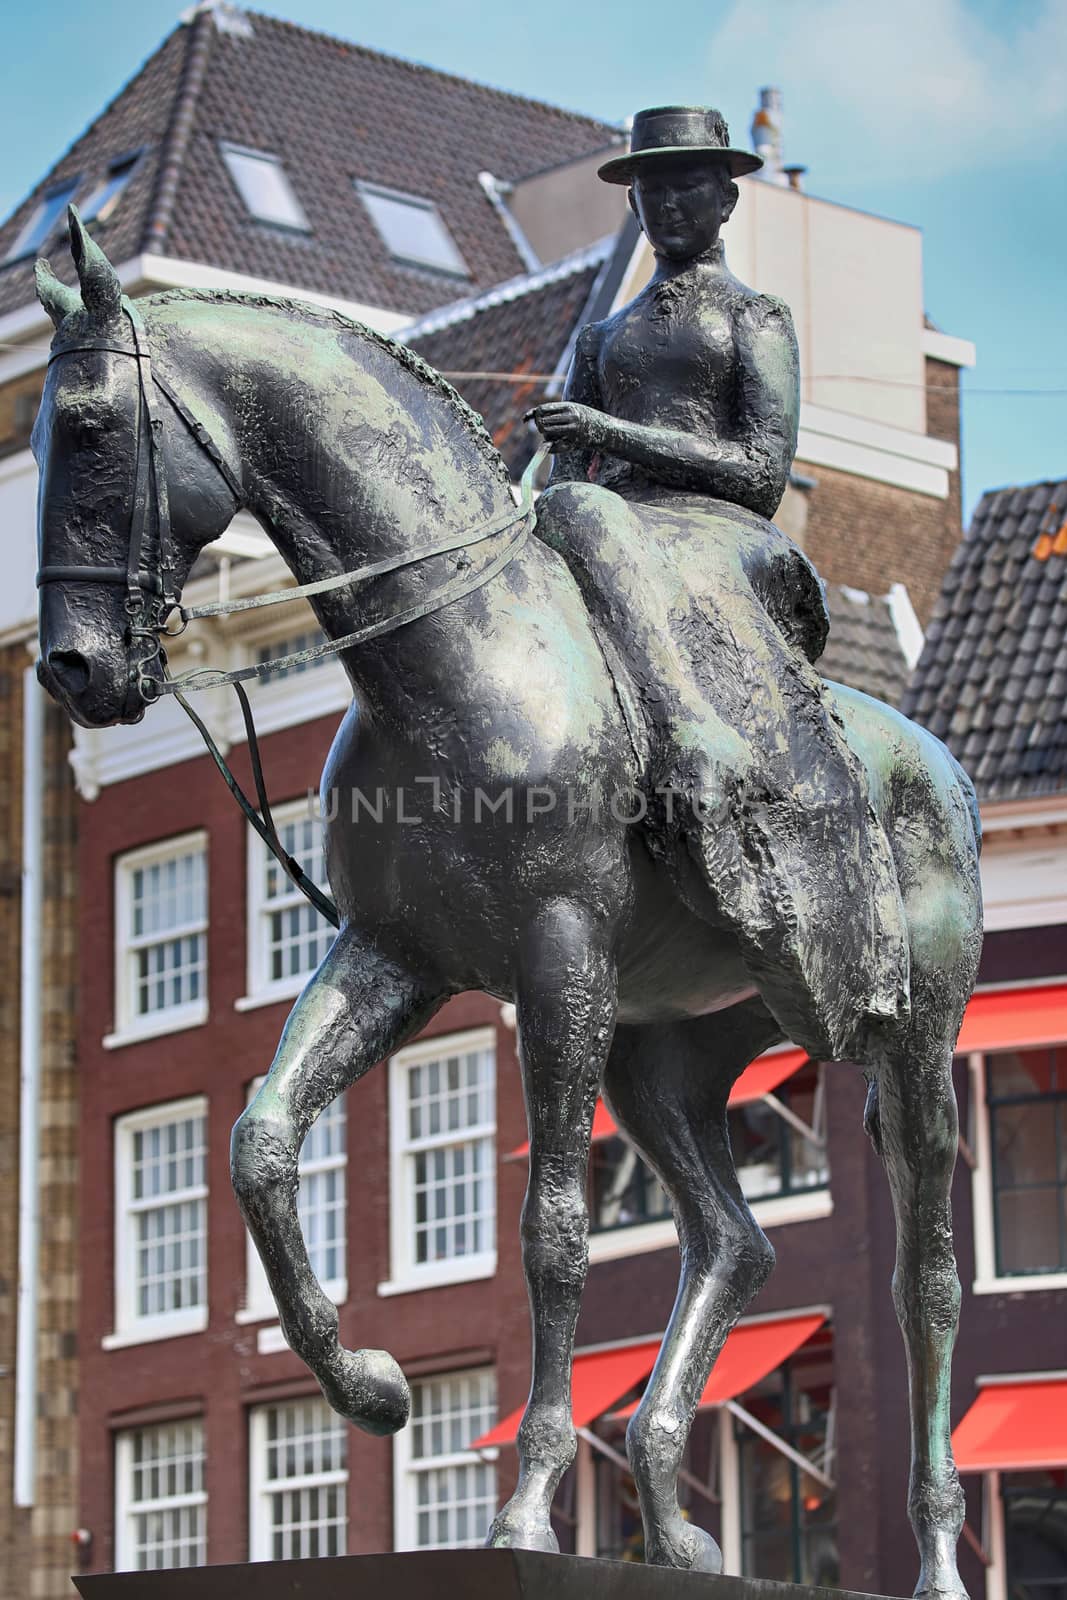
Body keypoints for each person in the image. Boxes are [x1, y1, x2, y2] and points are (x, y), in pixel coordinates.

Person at [529, 106, 909, 1061]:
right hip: (609, 537)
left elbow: (760, 473)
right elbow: (562, 487)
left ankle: (730, 778)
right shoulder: (603, 335)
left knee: (593, 523)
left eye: (687, 188)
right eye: (651, 191)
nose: (667, 206)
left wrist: (612, 438)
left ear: (727, 198)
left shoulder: (754, 321)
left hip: (718, 541)